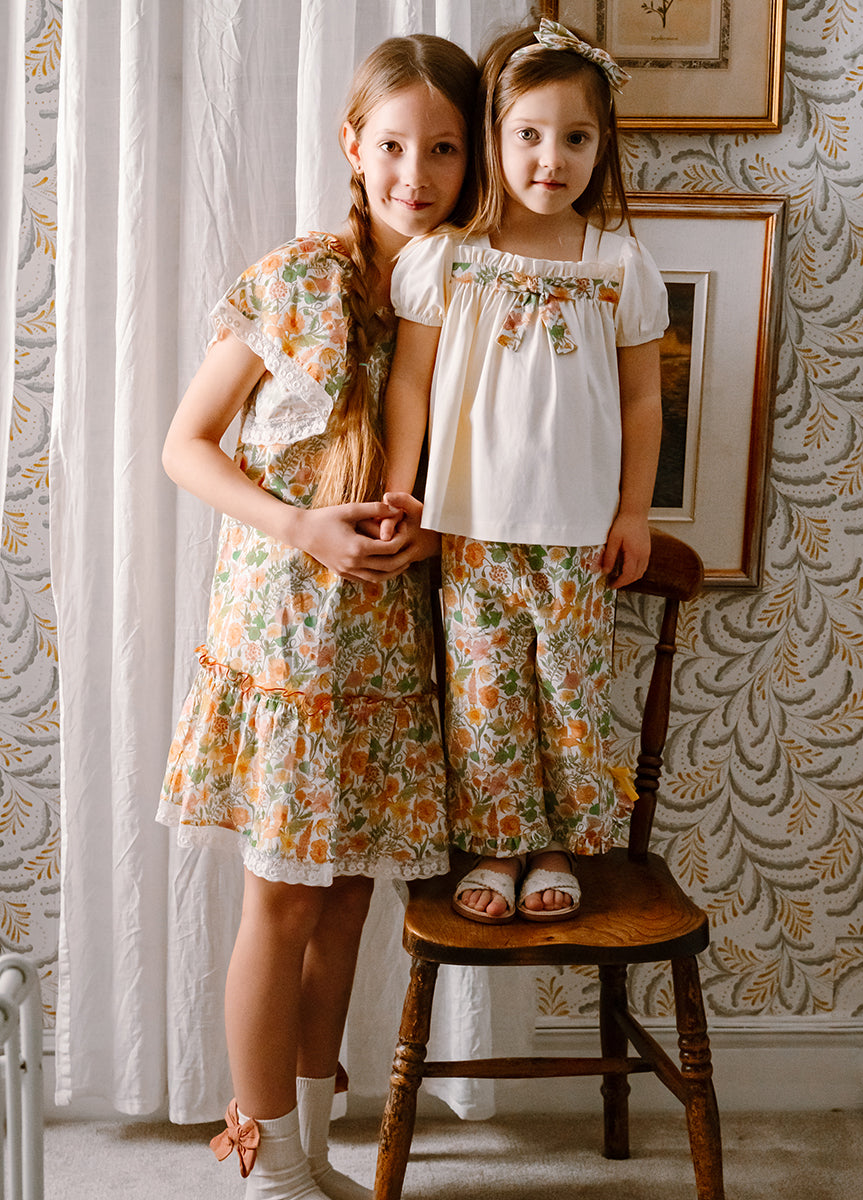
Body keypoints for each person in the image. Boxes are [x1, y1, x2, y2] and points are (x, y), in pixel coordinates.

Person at [156, 34, 478, 1200]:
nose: (415, 174)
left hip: (390, 642)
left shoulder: (470, 293)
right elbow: (185, 446)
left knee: (345, 908)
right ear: (354, 145)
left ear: (473, 161)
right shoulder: (296, 280)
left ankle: (309, 1153)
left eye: (443, 150)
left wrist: (431, 535)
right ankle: (264, 1167)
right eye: (393, 146)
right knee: (284, 899)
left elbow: (483, 476)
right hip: (288, 638)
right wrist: (302, 527)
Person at [380, 20, 668, 927]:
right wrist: (401, 487)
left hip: (579, 534)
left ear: (602, 145)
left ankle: (558, 847)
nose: (553, 158)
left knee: (573, 698)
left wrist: (634, 511)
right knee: (486, 698)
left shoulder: (618, 263)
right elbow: (410, 383)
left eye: (576, 138)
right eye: (530, 135)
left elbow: (642, 402)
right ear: (493, 138)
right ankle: (499, 845)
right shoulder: (448, 259)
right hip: (472, 529)